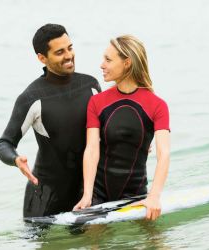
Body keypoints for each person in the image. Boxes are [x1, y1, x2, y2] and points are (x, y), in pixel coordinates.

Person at [0, 24, 101, 218]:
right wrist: (15, 160)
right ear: (42, 58)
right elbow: (4, 143)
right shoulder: (32, 97)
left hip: (86, 191)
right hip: (45, 198)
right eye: (60, 52)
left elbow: (103, 131)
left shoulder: (91, 85)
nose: (69, 55)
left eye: (70, 47)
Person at [73, 35, 170, 221]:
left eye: (108, 60)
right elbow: (92, 149)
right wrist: (87, 195)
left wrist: (154, 196)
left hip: (136, 195)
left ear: (127, 63)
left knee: (154, 241)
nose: (102, 65)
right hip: (98, 195)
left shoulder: (157, 105)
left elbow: (163, 153)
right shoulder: (96, 102)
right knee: (95, 240)